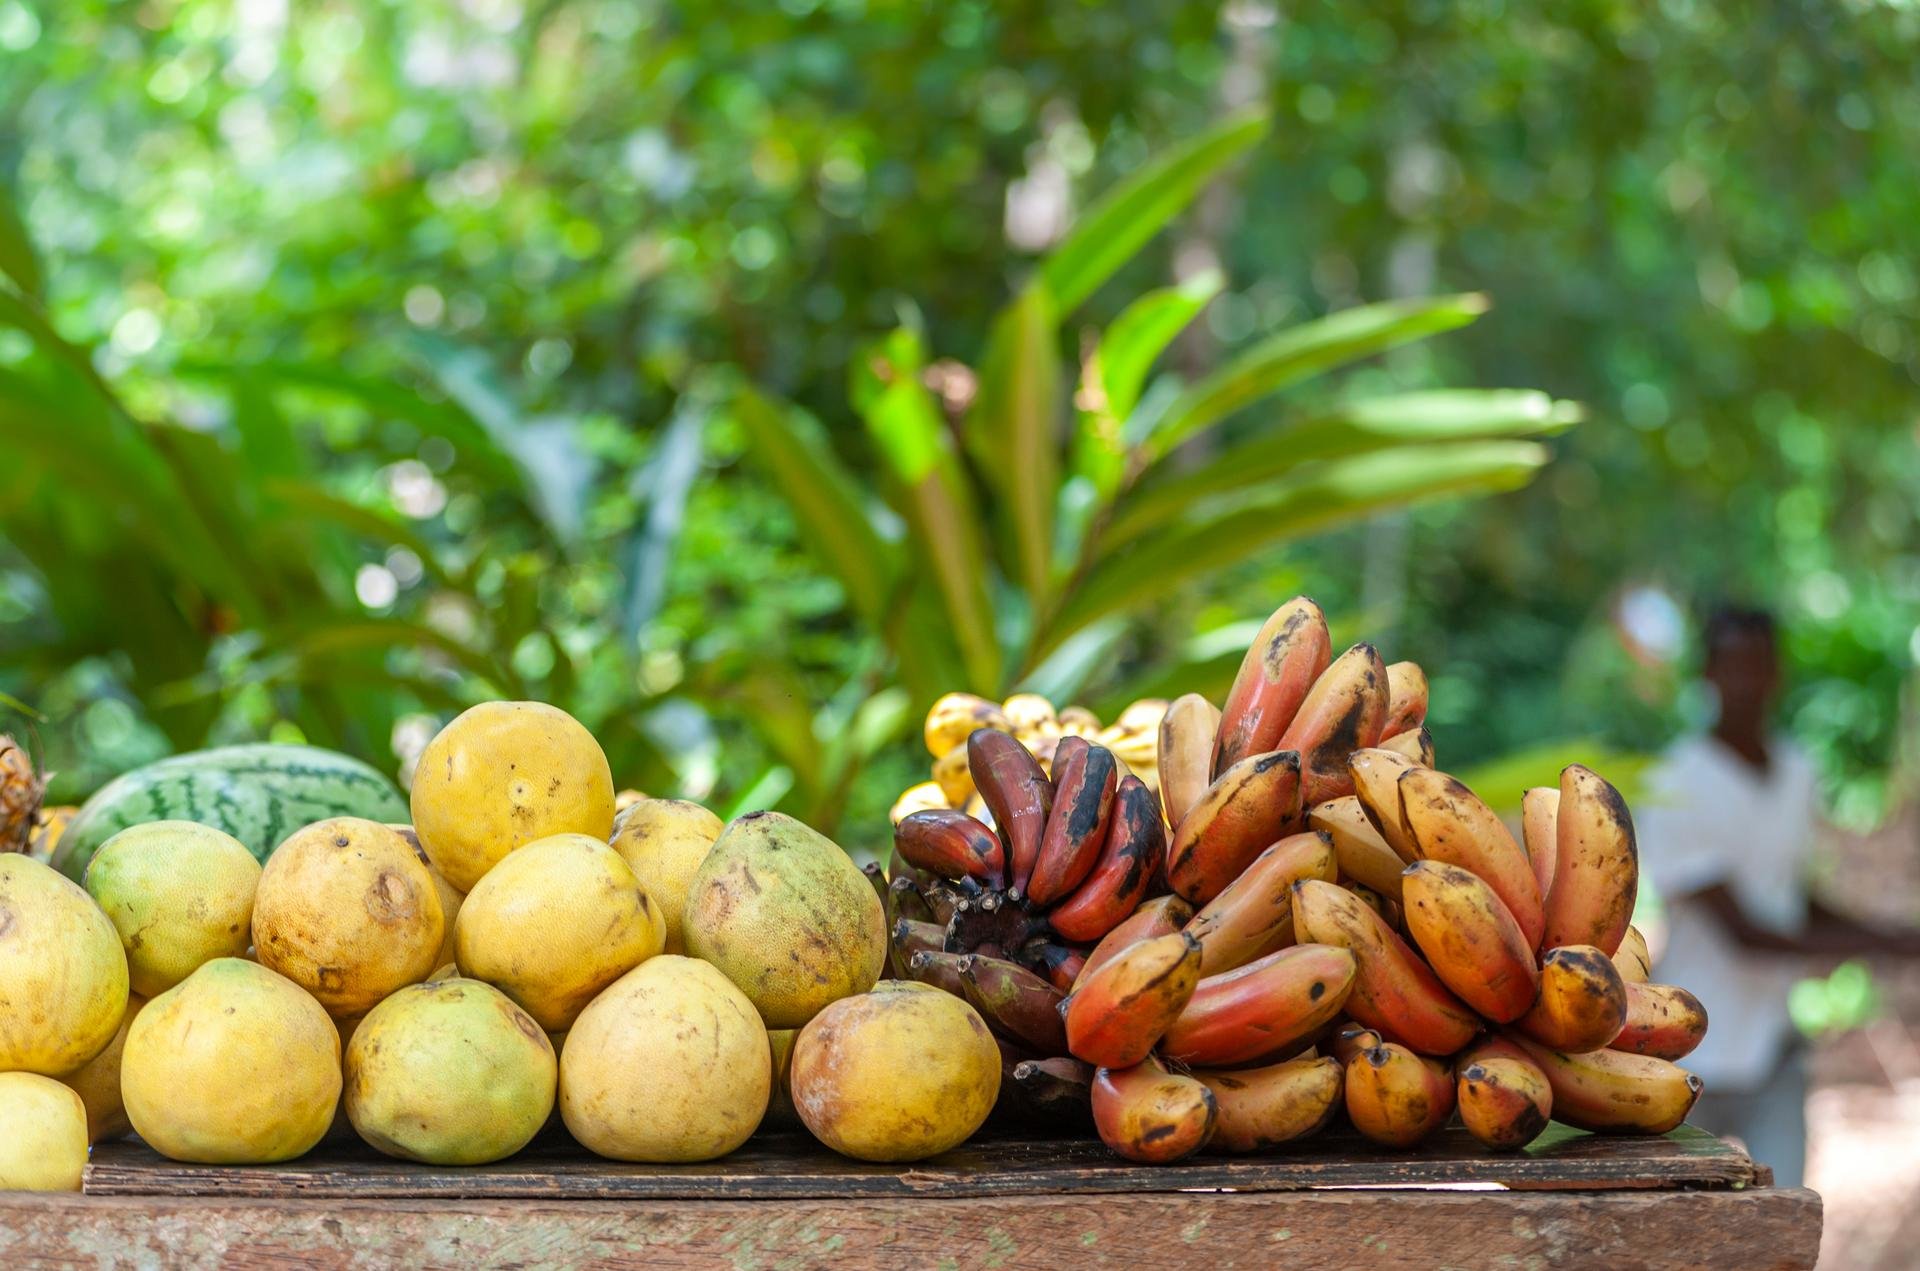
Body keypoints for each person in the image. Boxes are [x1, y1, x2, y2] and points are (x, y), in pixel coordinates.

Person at [1637, 605, 1920, 1188]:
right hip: (1693, 1054)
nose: (1747, 682)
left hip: (1773, 1045)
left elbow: (1791, 896)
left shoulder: (1797, 771)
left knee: (1786, 1210)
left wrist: (1890, 934)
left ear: (1777, 673)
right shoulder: (1675, 782)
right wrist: (1880, 946)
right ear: (1708, 674)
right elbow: (1744, 933)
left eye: (1759, 665)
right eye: (1732, 666)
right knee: (1686, 1226)